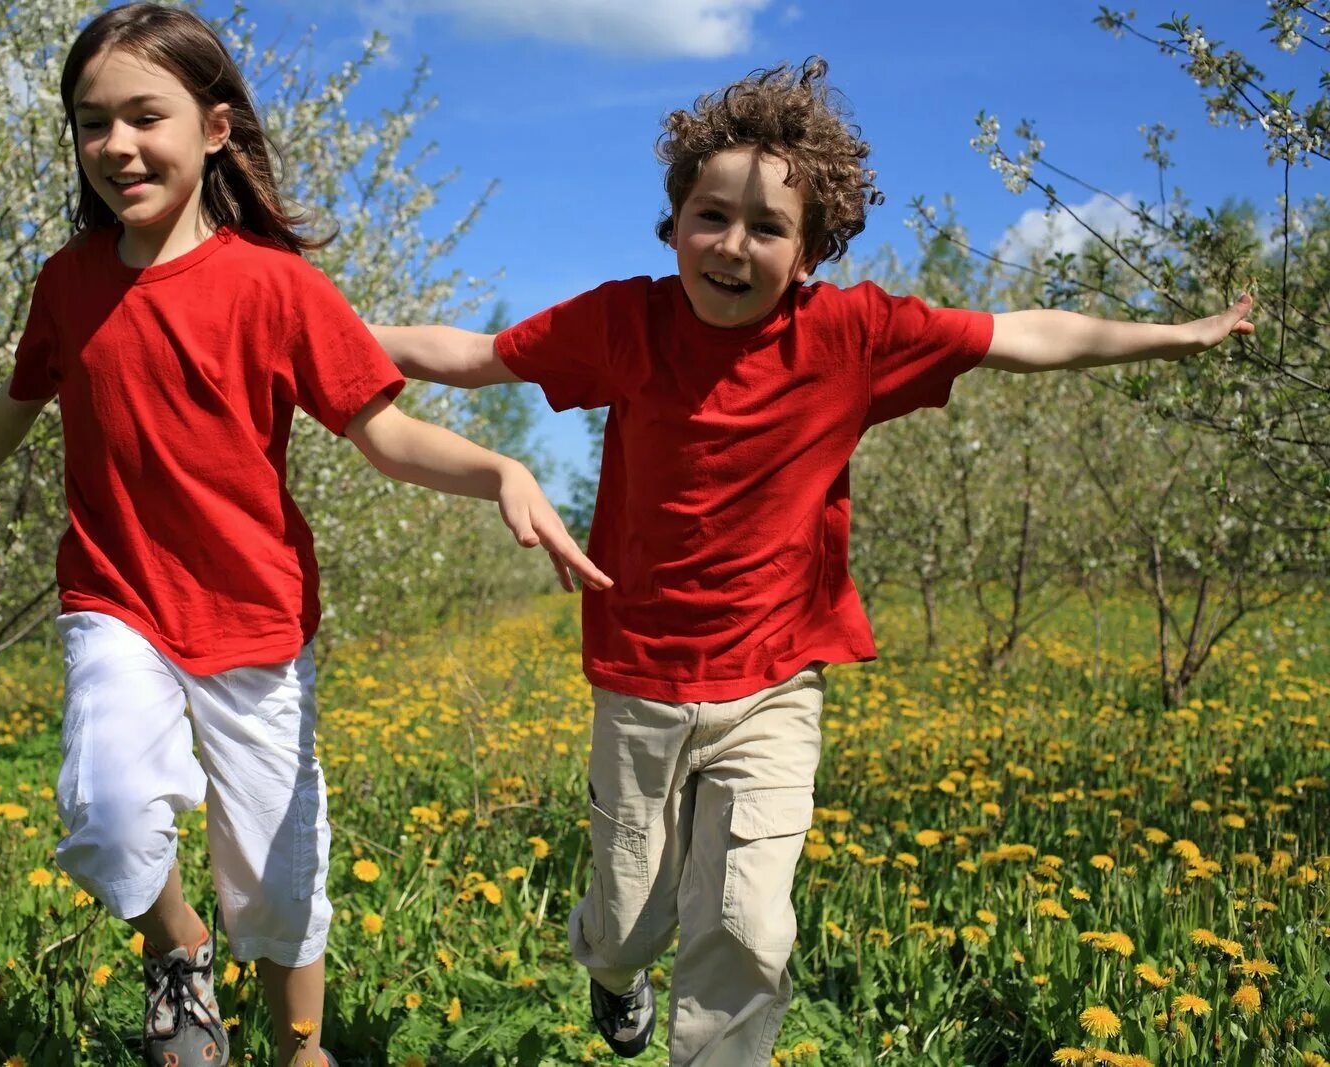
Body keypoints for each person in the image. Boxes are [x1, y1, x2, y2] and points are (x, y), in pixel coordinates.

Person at [370, 60, 1253, 1067]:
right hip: (640, 677)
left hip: (776, 680)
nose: (732, 245)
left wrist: (1176, 333)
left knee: (748, 921)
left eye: (766, 227)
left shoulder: (854, 336)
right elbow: (477, 353)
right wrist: (322, 334)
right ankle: (613, 975)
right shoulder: (625, 324)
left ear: (812, 250)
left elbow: (1024, 335)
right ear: (674, 224)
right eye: (711, 215)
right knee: (626, 915)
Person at [0, 5, 609, 1066]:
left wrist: (502, 468)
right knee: (104, 813)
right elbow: (23, 392)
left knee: (277, 873)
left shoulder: (277, 286)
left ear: (217, 127)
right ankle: (179, 952)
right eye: (91, 122)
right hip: (116, 596)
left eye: (145, 115)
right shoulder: (69, 281)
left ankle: (298, 1046)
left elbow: (387, 434)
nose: (116, 146)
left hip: (254, 613)